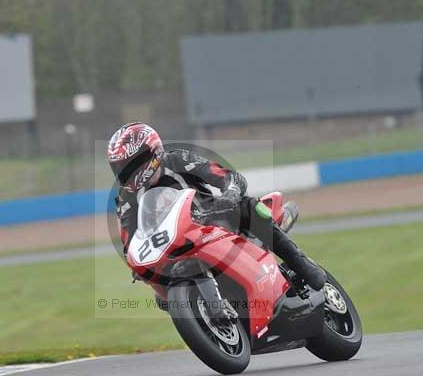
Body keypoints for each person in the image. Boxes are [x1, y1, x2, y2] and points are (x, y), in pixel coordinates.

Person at [108, 122, 326, 291]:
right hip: (174, 247)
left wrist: (230, 194)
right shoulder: (126, 199)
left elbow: (228, 177)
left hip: (215, 220)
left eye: (133, 164)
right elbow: (130, 241)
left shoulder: (178, 160)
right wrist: (136, 264)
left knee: (248, 205)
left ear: (151, 152)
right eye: (123, 169)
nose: (129, 173)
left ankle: (302, 265)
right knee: (160, 296)